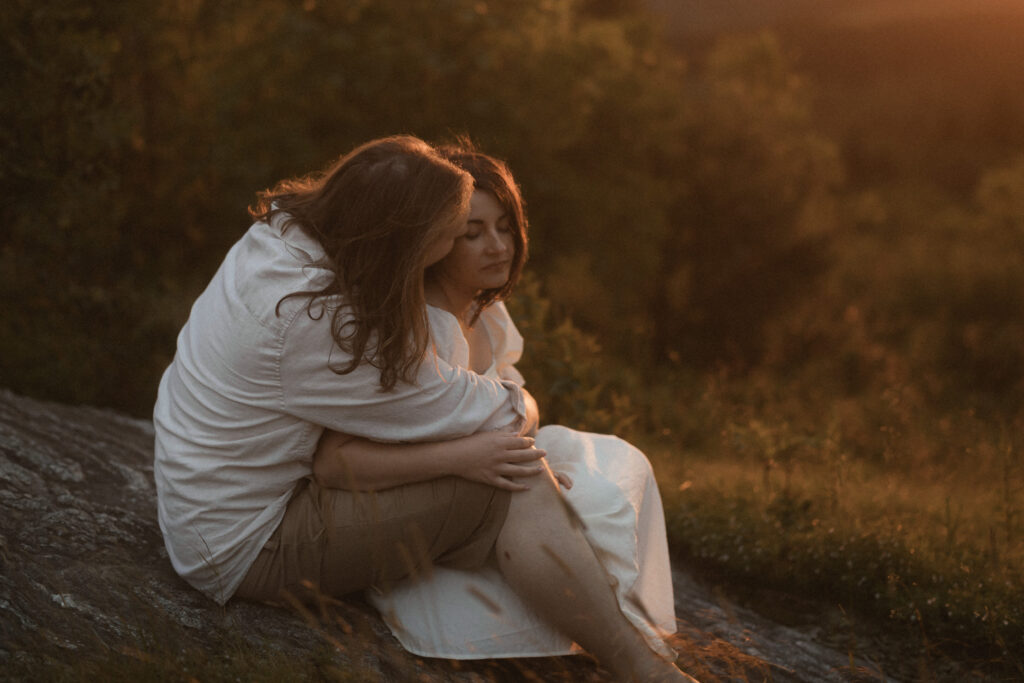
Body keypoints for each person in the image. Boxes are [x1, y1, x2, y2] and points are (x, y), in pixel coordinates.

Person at [153, 135, 693, 682]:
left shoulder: (280, 235)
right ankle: (637, 667)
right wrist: (512, 417)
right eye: (447, 236)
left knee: (505, 461)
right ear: (397, 240)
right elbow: (492, 413)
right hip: (247, 543)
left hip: (204, 505)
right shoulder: (314, 323)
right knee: (514, 479)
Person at [313, 143, 693, 681]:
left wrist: (523, 441)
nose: (497, 246)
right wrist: (474, 461)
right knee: (564, 493)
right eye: (471, 233)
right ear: (435, 240)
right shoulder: (417, 327)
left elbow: (506, 401)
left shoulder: (485, 309)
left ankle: (619, 626)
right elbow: (335, 458)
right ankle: (628, 657)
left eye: (504, 227)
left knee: (617, 460)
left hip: (488, 464)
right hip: (434, 497)